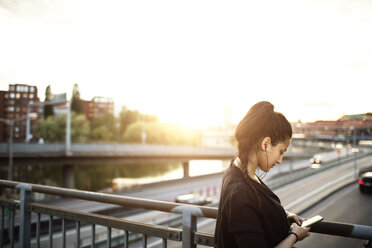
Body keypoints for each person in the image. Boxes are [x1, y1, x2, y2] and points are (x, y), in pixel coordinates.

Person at [214, 101, 311, 248]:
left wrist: (285, 216)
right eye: (281, 152)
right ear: (266, 143)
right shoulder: (239, 192)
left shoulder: (240, 172)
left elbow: (257, 208)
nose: (280, 160)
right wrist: (295, 236)